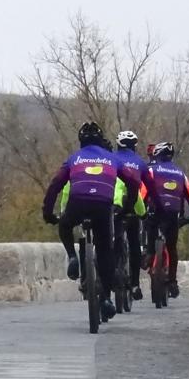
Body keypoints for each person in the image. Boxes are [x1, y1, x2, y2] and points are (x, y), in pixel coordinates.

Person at [42, 121, 141, 323]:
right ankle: (105, 298)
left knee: (66, 225)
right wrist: (128, 206)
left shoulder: (73, 159)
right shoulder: (112, 158)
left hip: (78, 204)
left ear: (81, 141)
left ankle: (72, 256)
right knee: (105, 249)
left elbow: (54, 186)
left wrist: (48, 213)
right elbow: (132, 181)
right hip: (103, 206)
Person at [145, 141, 189, 299]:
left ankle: (149, 254)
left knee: (150, 229)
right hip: (173, 212)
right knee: (171, 247)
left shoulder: (152, 170)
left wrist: (139, 207)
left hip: (155, 210)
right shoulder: (180, 173)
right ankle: (172, 282)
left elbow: (142, 191)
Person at [114, 130, 149, 300]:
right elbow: (151, 187)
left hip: (113, 206)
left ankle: (112, 273)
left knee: (114, 239)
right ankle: (135, 284)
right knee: (134, 245)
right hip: (134, 204)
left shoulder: (110, 158)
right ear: (134, 146)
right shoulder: (141, 163)